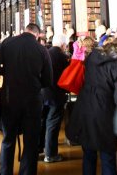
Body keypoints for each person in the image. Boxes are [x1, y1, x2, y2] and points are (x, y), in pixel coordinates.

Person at [0, 23, 53, 175]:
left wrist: (7, 72)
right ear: (37, 35)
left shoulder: (8, 43)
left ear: (24, 30)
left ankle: (5, 172)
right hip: (32, 100)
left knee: (8, 139)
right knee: (31, 142)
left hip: (10, 98)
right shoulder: (42, 49)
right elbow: (48, 80)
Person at [66, 36, 117, 175]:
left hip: (85, 108)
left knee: (88, 155)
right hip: (104, 112)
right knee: (108, 156)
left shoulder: (93, 56)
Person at [40, 34, 69, 163]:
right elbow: (67, 77)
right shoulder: (63, 57)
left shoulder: (45, 53)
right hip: (56, 95)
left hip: (42, 93)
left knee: (42, 122)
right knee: (53, 123)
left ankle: (39, 149)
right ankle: (51, 154)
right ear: (63, 45)